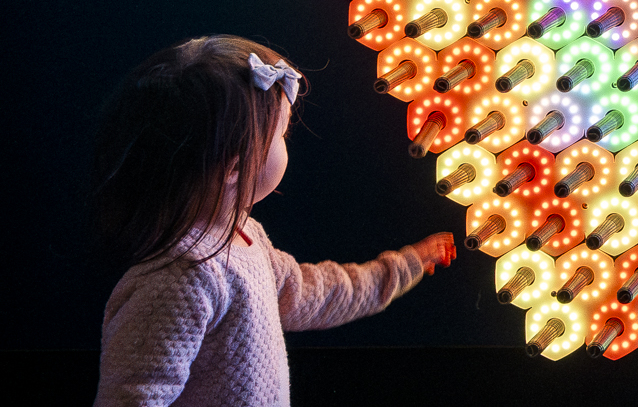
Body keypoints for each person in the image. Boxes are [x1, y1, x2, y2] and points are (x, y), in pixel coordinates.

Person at [92, 34, 455, 406]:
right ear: (235, 166)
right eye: (281, 133)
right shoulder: (176, 282)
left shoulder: (245, 236)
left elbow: (313, 293)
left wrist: (402, 267)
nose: (288, 141)